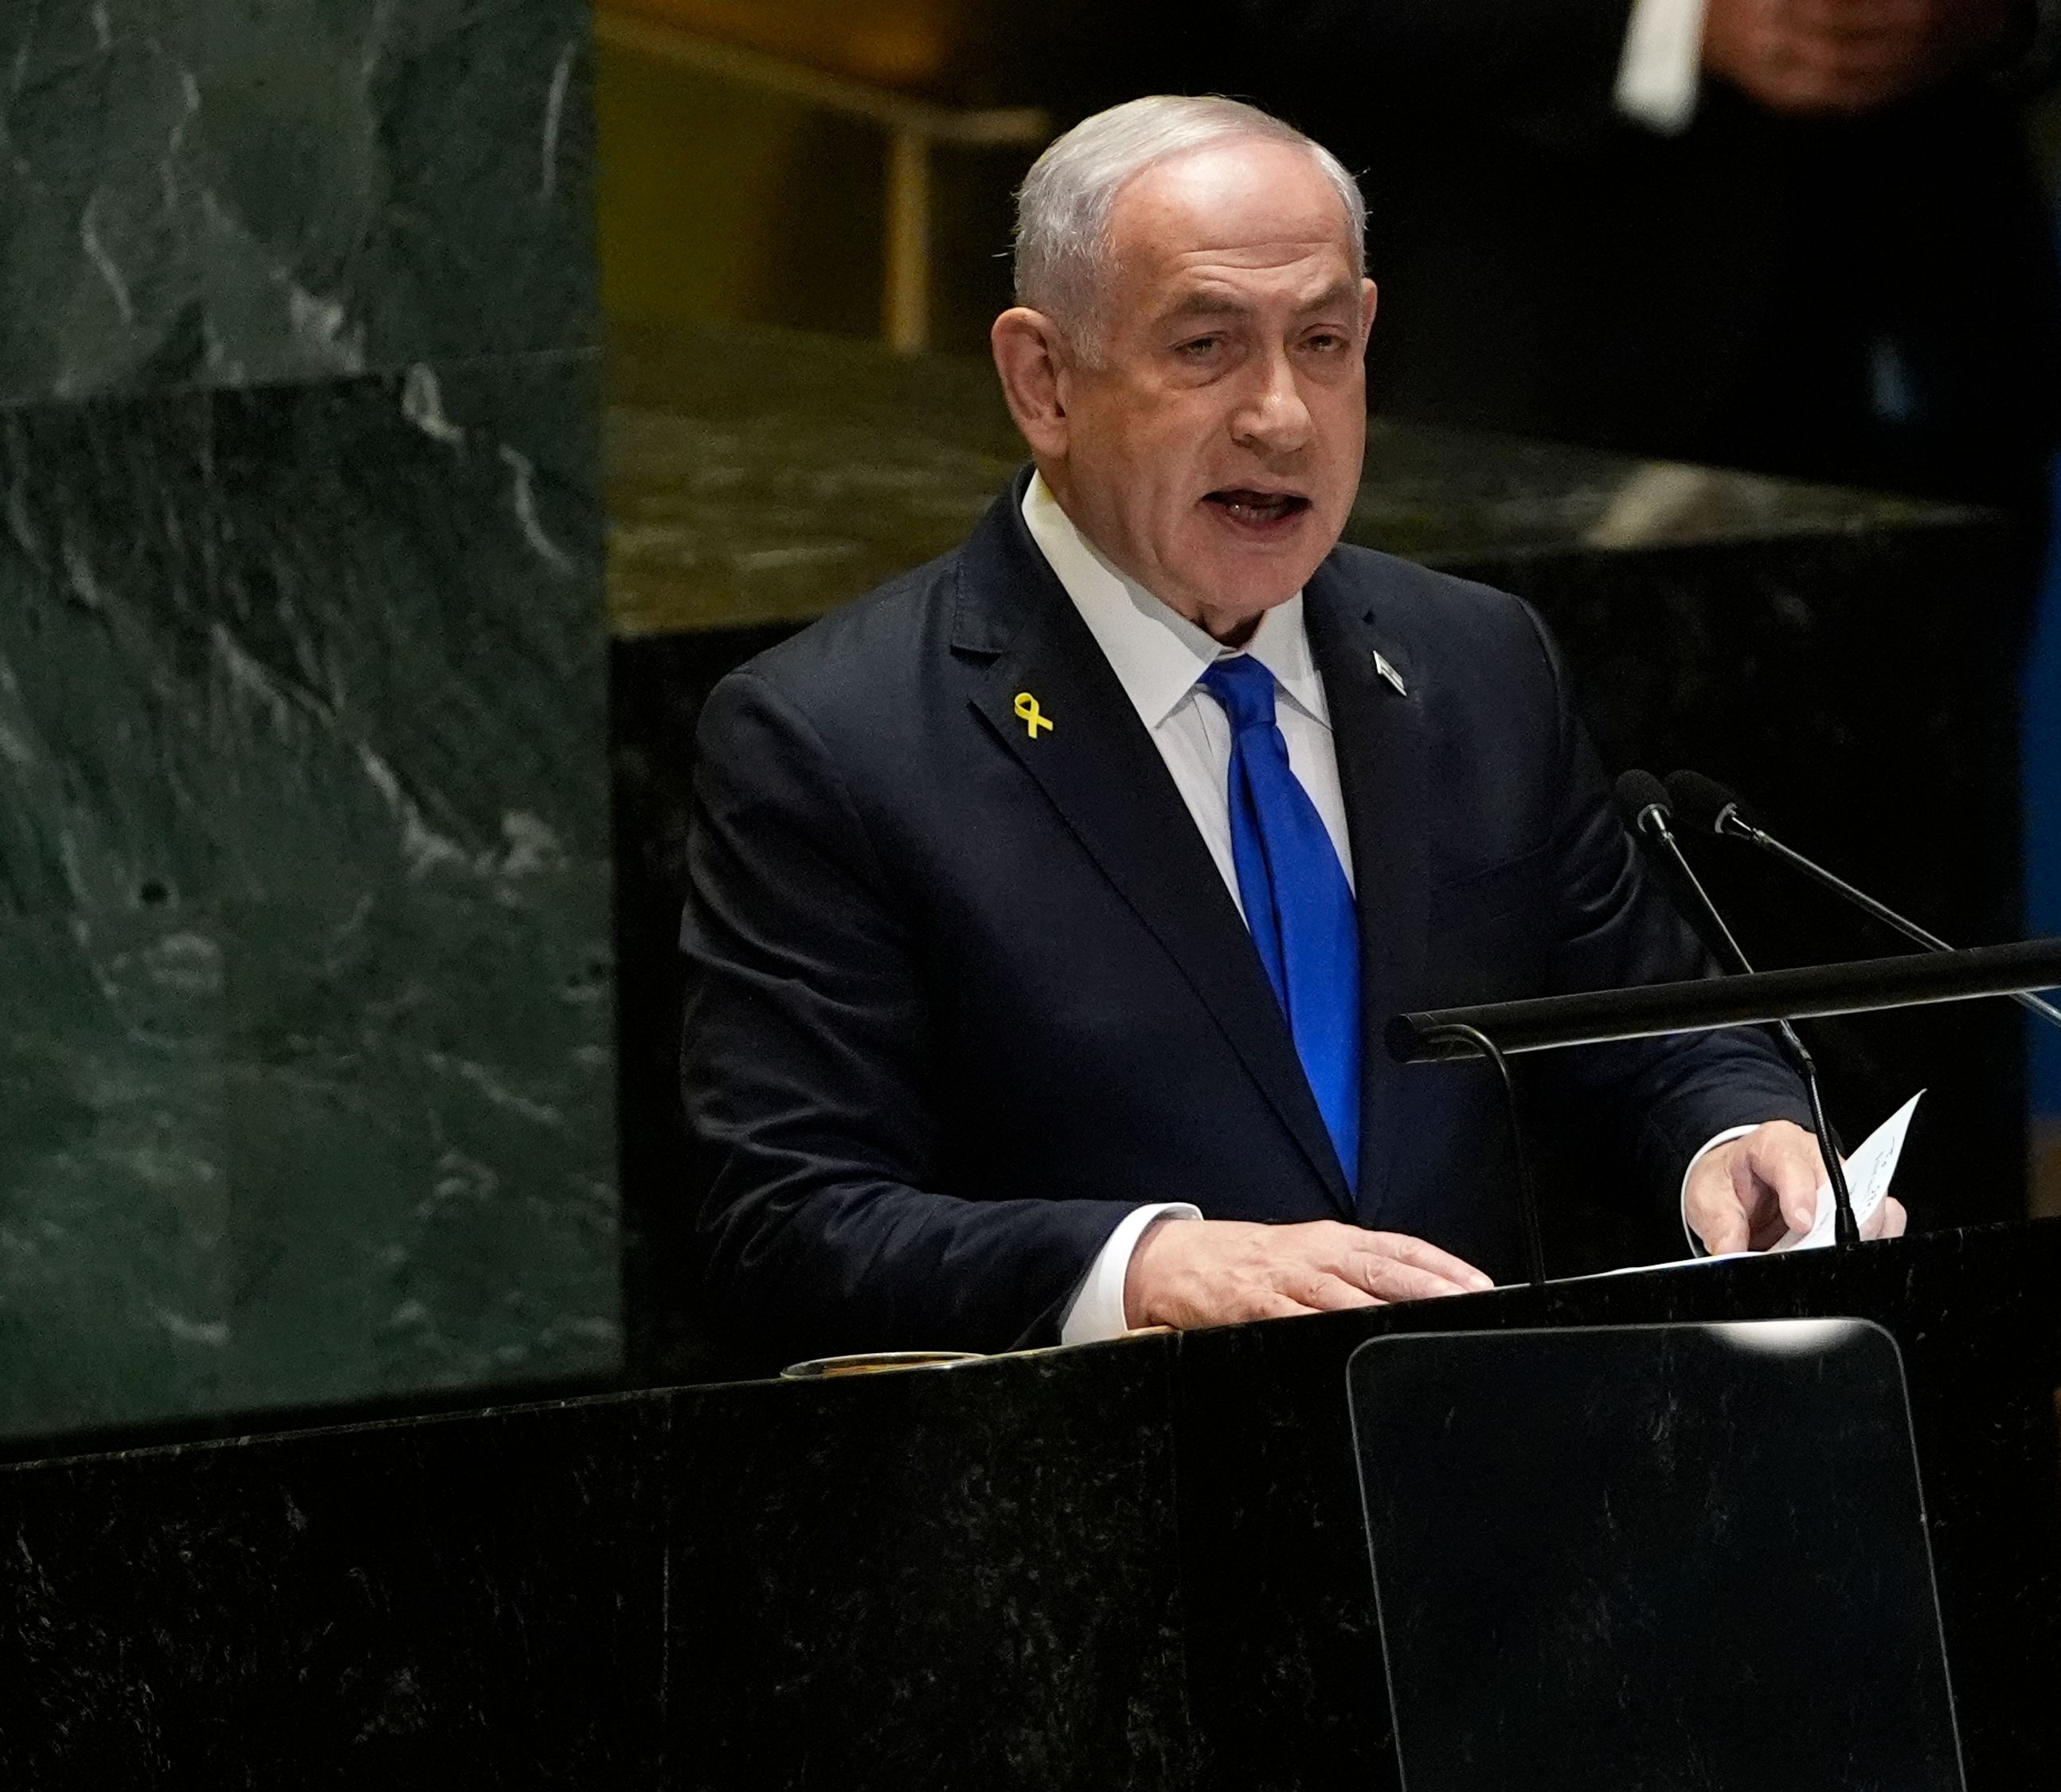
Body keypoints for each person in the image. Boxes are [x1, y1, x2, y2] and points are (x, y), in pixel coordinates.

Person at [679, 96, 1901, 1356]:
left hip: (1478, 1477)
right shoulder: (836, 737)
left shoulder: (1477, 664)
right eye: (1207, 346)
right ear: (1042, 379)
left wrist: (1735, 1133)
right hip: (1100, 1499)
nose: (1282, 415)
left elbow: (1650, 1030)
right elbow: (788, 1222)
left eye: (1321, 342)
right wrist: (1143, 1263)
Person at [1224, 2, 2061, 538]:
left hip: (1931, 360)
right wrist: (1671, 25)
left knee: (1914, 851)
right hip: (1531, 378)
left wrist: (2007, 16)